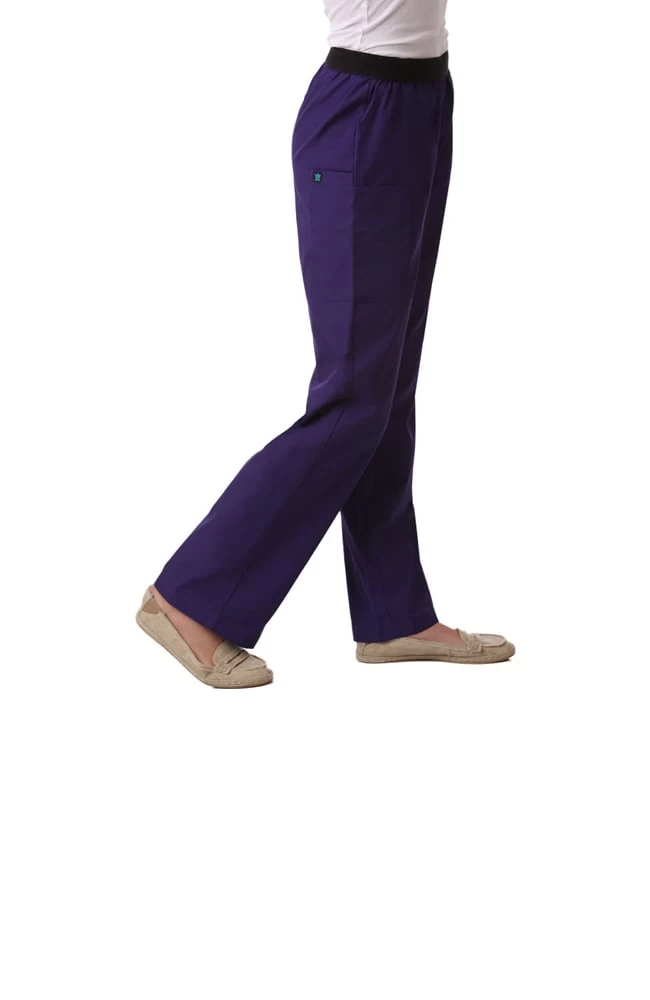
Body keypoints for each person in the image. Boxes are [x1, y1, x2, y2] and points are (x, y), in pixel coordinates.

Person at [135, 0, 515, 688]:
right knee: (355, 397)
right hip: (365, 110)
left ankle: (394, 614)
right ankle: (190, 596)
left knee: (388, 388)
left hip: (423, 100)